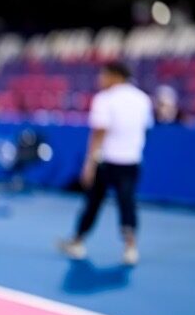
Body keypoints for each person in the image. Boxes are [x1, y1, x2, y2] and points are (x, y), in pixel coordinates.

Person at [59, 60, 152, 267]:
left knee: (93, 202)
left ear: (115, 76)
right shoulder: (143, 99)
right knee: (127, 203)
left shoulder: (104, 99)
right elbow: (146, 128)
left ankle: (77, 242)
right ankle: (130, 247)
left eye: (104, 75)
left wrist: (89, 164)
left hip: (106, 161)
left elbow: (99, 133)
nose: (100, 79)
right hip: (132, 161)